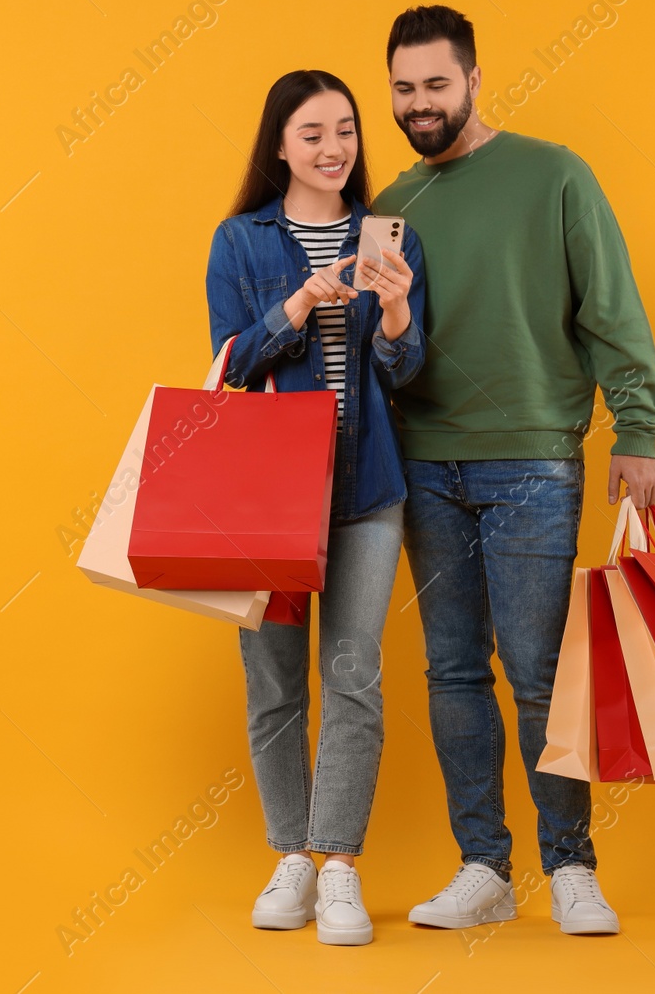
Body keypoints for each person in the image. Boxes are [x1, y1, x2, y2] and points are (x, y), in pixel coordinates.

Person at [371, 6, 655, 936]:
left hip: (534, 460)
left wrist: (638, 426)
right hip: (424, 465)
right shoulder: (390, 205)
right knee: (454, 670)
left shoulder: (554, 174)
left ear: (474, 79)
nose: (421, 105)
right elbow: (387, 352)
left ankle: (571, 865)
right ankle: (483, 868)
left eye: (436, 85)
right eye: (404, 89)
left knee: (538, 673)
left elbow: (609, 304)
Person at [205, 70, 426, 946]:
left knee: (354, 673)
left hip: (366, 487)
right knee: (273, 680)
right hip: (267, 497)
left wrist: (399, 308)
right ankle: (290, 855)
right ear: (279, 146)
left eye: (346, 131)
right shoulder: (240, 238)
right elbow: (229, 361)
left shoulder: (393, 233)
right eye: (312, 134)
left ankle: (338, 863)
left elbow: (409, 374)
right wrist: (299, 302)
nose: (334, 149)